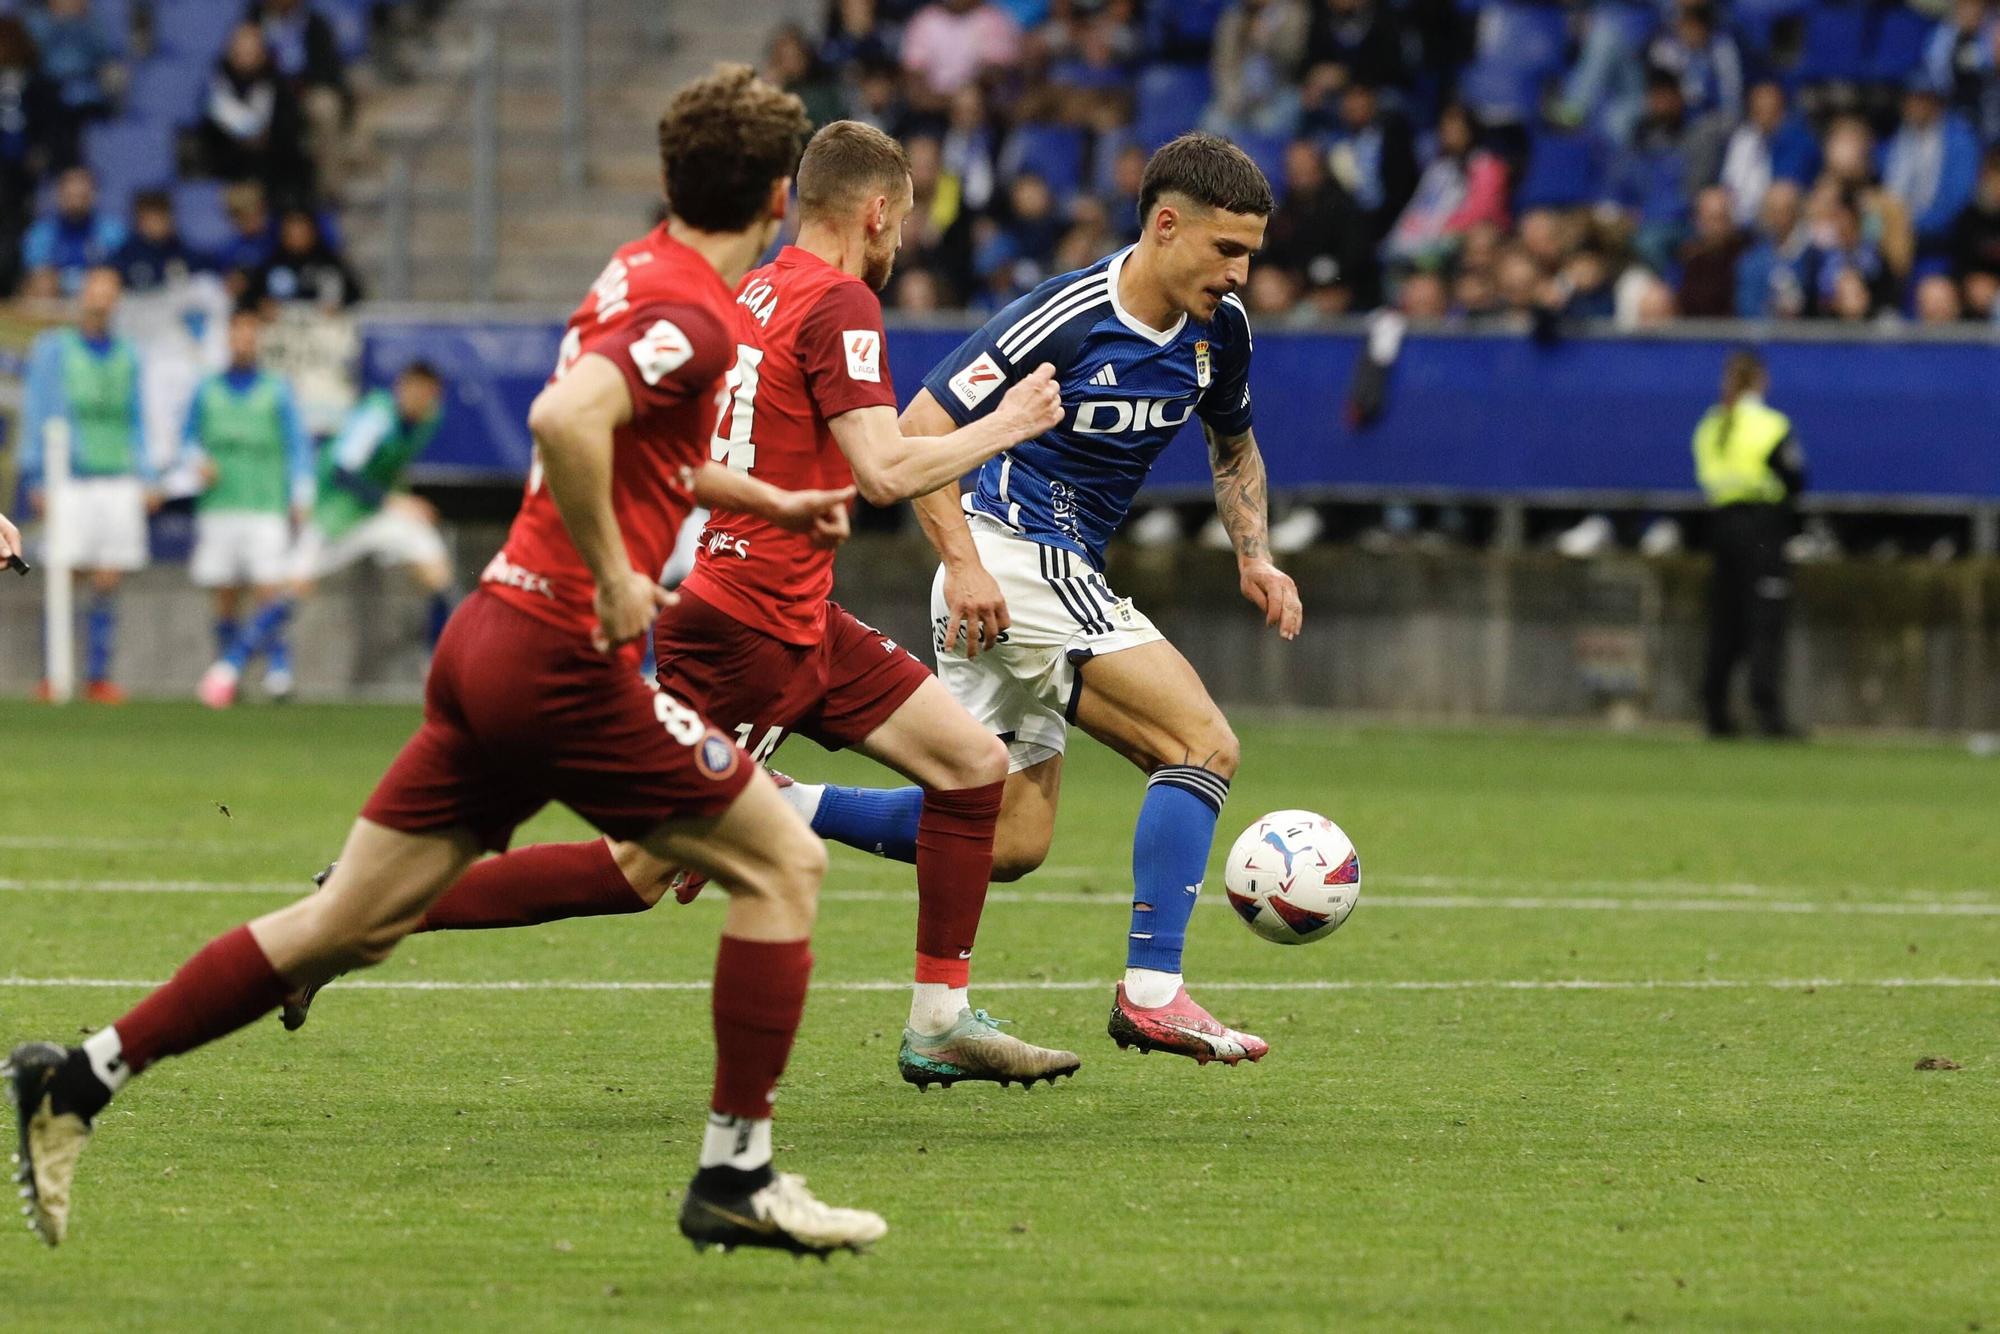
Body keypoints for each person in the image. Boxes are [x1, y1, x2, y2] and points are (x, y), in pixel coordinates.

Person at [5, 64, 885, 1259]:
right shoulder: (694, 313)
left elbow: (618, 427)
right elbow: (565, 421)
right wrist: (619, 576)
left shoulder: (639, 268)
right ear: (780, 194)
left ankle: (83, 1075)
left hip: (488, 636)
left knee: (350, 922)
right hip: (562, 654)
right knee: (782, 865)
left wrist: (763, 491)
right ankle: (736, 1170)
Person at [284, 120, 1075, 1089]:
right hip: (750, 630)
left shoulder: (748, 293)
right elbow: (881, 471)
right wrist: (1008, 424)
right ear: (875, 212)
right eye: (899, 222)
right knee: (634, 871)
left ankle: (940, 1017)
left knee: (968, 764)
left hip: (794, 615)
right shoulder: (839, 302)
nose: (900, 242)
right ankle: (363, 908)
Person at [789, 133, 1302, 1065]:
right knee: (1201, 744)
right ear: (1165, 225)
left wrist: (1255, 556)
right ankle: (1154, 992)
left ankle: (781, 804)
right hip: (1013, 558)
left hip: (1040, 573)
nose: (1240, 274)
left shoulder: (1220, 332)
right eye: (1227, 250)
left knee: (1006, 836)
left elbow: (1234, 447)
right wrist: (968, 564)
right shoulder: (1064, 315)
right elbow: (918, 430)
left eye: (1251, 256)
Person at [20, 265, 155, 703]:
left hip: (115, 473)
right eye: (95, 291)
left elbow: (136, 418)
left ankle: (98, 675)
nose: (101, 300)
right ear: (83, 297)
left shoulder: (128, 354)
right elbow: (37, 410)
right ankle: (55, 672)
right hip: (69, 477)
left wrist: (146, 474)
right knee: (65, 573)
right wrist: (36, 475)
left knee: (108, 576)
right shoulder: (54, 350)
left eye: (109, 292)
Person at [275, 360, 453, 664]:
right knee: (296, 585)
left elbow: (390, 463)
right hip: (337, 509)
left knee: (438, 572)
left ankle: (436, 666)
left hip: (378, 513)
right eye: (415, 391)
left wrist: (397, 501)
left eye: (428, 394)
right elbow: (343, 473)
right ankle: (232, 666)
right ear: (401, 388)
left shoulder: (430, 418)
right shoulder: (376, 415)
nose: (421, 400)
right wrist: (396, 501)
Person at [183, 307, 312, 705]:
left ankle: (278, 670)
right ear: (228, 340)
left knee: (269, 588)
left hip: (264, 502)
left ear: (258, 341)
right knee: (224, 591)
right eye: (237, 334)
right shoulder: (207, 389)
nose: (243, 342)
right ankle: (227, 671)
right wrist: (196, 461)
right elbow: (188, 438)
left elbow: (297, 445)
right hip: (220, 503)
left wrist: (300, 493)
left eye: (250, 335)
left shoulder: (277, 389)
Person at [1694, 350, 1802, 739]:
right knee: (1764, 620)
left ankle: (1715, 710)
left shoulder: (1711, 424)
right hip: (1761, 528)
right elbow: (1794, 478)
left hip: (1720, 526)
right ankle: (1767, 711)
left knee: (1725, 620)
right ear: (1760, 379)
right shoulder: (1769, 425)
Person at [19, 164, 126, 298]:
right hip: (54, 298)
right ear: (58, 195)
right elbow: (36, 274)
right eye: (70, 195)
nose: (76, 203)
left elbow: (119, 272)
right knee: (42, 282)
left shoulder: (114, 230)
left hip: (96, 298)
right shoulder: (40, 232)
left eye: (82, 196)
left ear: (94, 195)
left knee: (106, 280)